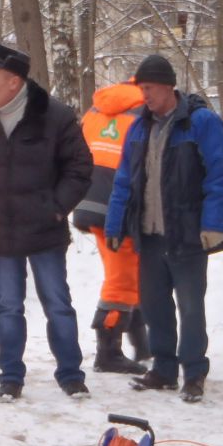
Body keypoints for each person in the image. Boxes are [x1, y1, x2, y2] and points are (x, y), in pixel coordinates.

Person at [104, 54, 223, 403]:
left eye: (148, 88)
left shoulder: (201, 123)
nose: (143, 95)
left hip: (188, 233)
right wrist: (115, 224)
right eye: (141, 89)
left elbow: (220, 176)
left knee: (191, 305)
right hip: (149, 234)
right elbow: (123, 181)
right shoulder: (139, 127)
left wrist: (213, 224)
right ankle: (163, 369)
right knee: (155, 304)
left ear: (167, 86)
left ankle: (193, 372)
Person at [0, 44, 94, 402]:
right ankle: (10, 376)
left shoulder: (55, 116)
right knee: (8, 306)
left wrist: (56, 207)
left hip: (44, 230)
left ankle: (71, 374)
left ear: (14, 82)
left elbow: (80, 168)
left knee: (57, 303)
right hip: (0, 231)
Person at [73, 81, 151, 375]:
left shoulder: (96, 108)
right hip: (117, 204)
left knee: (130, 271)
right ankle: (108, 353)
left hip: (88, 199)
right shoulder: (144, 110)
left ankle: (142, 345)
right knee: (122, 279)